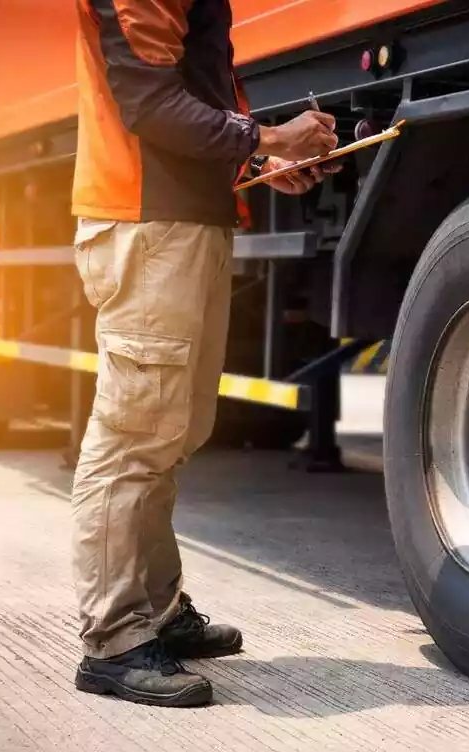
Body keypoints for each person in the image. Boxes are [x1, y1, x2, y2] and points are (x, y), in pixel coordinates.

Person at [68, 0, 340, 708]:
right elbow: (149, 101)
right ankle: (114, 641)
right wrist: (270, 136)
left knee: (173, 432)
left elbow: (188, 92)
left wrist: (259, 155)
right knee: (134, 437)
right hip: (147, 223)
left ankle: (156, 611)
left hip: (179, 221)